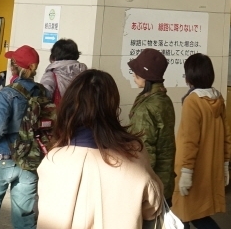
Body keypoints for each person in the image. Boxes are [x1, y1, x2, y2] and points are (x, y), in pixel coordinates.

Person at [36, 69, 163, 229]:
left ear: (69, 106)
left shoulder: (53, 159)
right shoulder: (133, 154)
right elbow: (153, 207)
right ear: (112, 106)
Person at [0, 45, 43, 229]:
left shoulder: (7, 93)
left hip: (3, 157)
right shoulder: (43, 93)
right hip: (29, 159)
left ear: (14, 67)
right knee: (24, 218)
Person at [172, 53, 230, 229]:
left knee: (182, 214)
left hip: (191, 168)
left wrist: (186, 172)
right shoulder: (217, 98)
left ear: (190, 76)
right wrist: (225, 165)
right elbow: (227, 136)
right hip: (209, 169)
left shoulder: (192, 101)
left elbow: (189, 140)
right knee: (196, 214)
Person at [127, 48, 177, 196]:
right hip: (165, 178)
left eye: (137, 72)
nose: (134, 75)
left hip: (150, 185)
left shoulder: (146, 108)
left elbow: (145, 150)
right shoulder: (164, 99)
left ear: (146, 76)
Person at [39, 38, 88, 103]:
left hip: (59, 109)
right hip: (81, 109)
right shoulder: (86, 75)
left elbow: (42, 99)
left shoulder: (51, 76)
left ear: (54, 56)